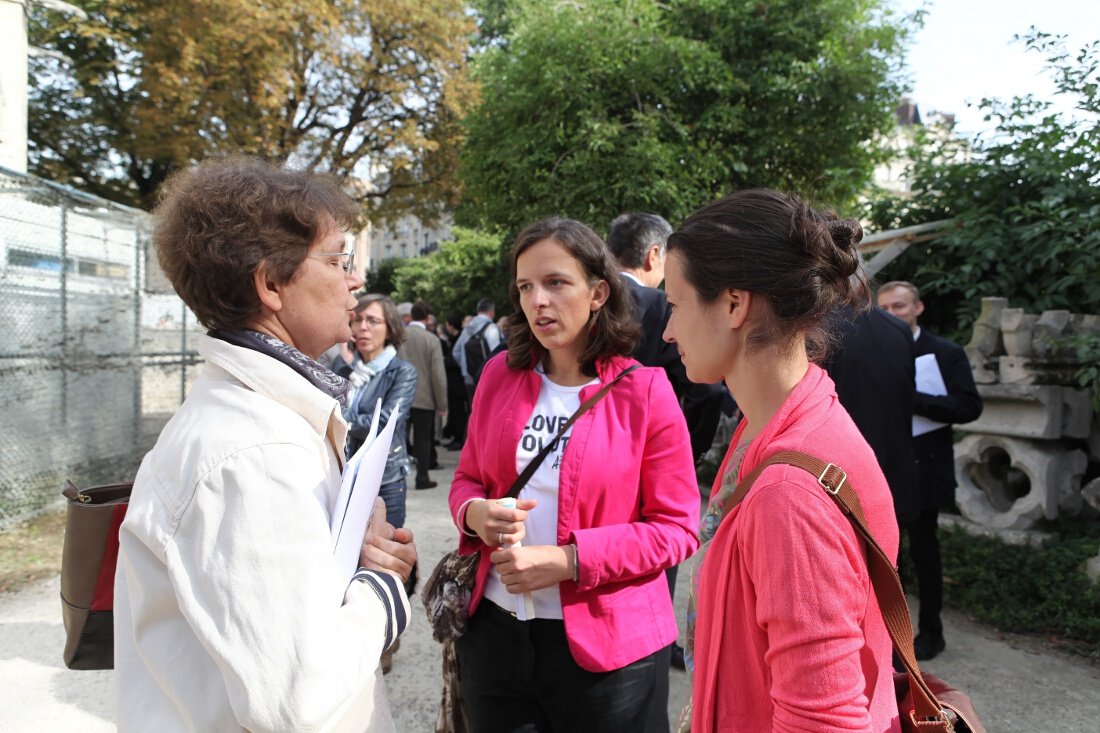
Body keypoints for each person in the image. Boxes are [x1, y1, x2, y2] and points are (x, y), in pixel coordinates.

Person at [114, 158, 417, 732]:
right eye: (337, 260)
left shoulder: (260, 423)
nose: (355, 280)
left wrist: (351, 545)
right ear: (270, 284)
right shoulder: (252, 454)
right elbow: (300, 700)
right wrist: (381, 587)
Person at [449, 217, 700, 732]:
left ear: (598, 292)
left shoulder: (646, 392)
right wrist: (476, 513)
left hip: (608, 650)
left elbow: (677, 529)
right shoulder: (501, 375)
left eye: (556, 282)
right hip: (495, 637)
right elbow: (467, 478)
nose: (538, 300)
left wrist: (570, 560)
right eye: (525, 287)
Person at [663, 189, 900, 732]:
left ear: (732, 304)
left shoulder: (788, 491)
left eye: (675, 305)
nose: (667, 330)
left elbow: (824, 721)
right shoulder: (786, 418)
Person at [878, 280, 983, 661]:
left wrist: (915, 401)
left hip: (928, 466)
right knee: (890, 555)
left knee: (925, 551)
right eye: (885, 308)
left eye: (900, 307)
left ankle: (932, 631)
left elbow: (969, 407)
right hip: (887, 465)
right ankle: (893, 634)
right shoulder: (877, 351)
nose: (893, 315)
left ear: (918, 308)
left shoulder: (945, 352)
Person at [336, 294, 418, 526]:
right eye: (357, 319)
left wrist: (340, 419)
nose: (363, 327)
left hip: (385, 478)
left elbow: (383, 424)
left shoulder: (402, 372)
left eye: (372, 321)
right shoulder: (342, 371)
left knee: (383, 555)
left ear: (390, 329)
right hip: (344, 476)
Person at [399, 299, 447, 489]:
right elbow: (438, 374)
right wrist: (442, 404)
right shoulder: (432, 339)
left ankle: (396, 478)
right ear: (427, 318)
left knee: (399, 439)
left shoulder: (399, 336)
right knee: (423, 440)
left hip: (400, 395)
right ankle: (422, 477)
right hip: (424, 397)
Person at [452, 297, 500, 393]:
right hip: (487, 379)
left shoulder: (467, 328)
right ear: (492, 312)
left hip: (469, 378)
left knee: (473, 407)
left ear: (478, 311)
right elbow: (497, 356)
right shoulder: (491, 328)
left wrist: (466, 367)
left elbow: (456, 352)